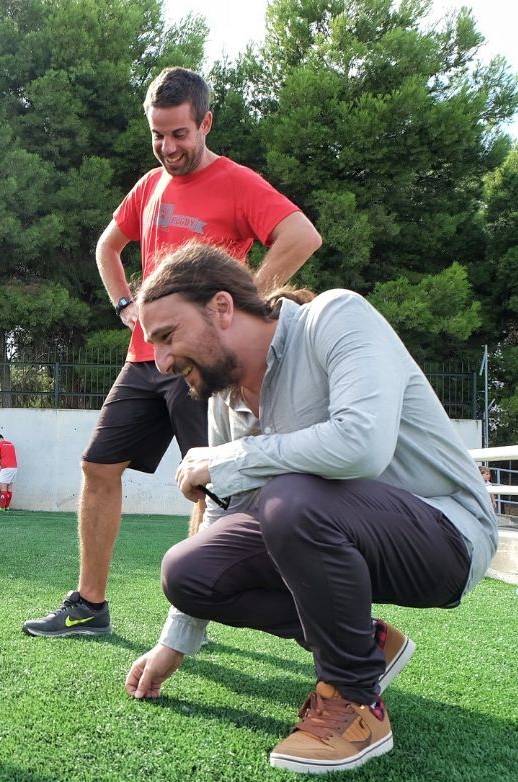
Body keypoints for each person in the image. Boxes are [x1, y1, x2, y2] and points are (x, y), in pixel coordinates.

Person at [121, 243, 498, 774]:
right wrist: (175, 641)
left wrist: (234, 458)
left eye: (167, 336)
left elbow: (361, 444)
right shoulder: (225, 398)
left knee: (289, 499)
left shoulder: (335, 317)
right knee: (190, 570)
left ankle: (355, 699)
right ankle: (366, 644)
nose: (159, 361)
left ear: (222, 308)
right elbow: (225, 514)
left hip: (446, 534)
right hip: (330, 528)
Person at [23, 66, 322, 637]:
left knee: (207, 481)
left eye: (179, 134)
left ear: (205, 123)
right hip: (144, 358)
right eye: (157, 135)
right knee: (97, 466)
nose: (167, 147)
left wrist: (246, 300)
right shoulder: (149, 185)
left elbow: (301, 235)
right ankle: (90, 606)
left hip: (203, 365)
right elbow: (108, 246)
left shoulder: (237, 182)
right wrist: (124, 306)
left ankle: (190, 616)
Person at [0, 433, 18, 511]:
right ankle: (7, 506)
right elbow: (7, 457)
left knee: (3, 487)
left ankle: (2, 507)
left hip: (6, 469)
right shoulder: (11, 444)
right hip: (14, 468)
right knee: (9, 487)